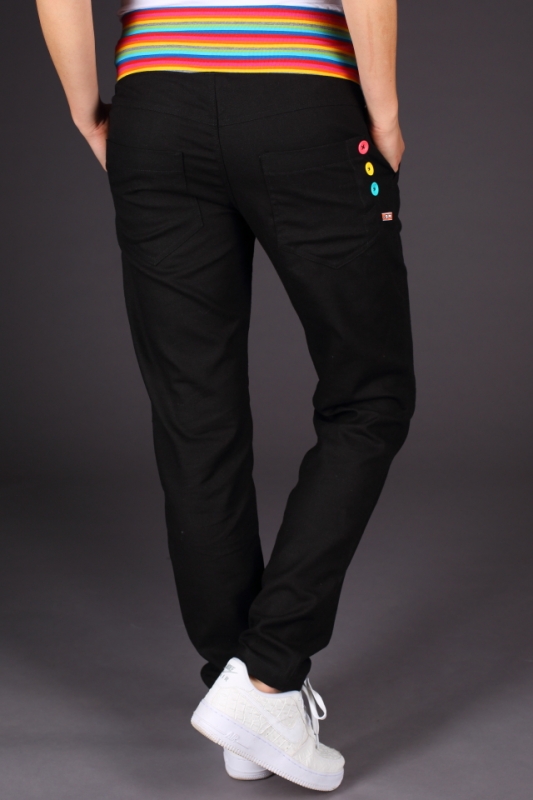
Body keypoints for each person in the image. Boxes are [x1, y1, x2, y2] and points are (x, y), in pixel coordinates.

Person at [36, 0, 415, 791]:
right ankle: (266, 676)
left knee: (194, 416)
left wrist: (85, 110)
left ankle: (236, 691)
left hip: (153, 107)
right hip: (300, 100)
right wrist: (383, 116)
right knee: (369, 393)